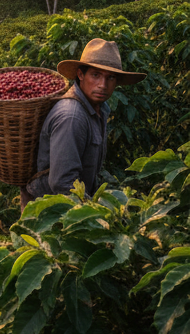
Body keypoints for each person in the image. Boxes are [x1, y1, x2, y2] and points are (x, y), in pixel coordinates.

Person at [21, 39, 145, 210]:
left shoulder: (100, 108)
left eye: (110, 78)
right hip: (51, 213)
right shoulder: (72, 116)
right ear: (81, 75)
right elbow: (63, 183)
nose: (103, 85)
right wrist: (98, 213)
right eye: (95, 75)